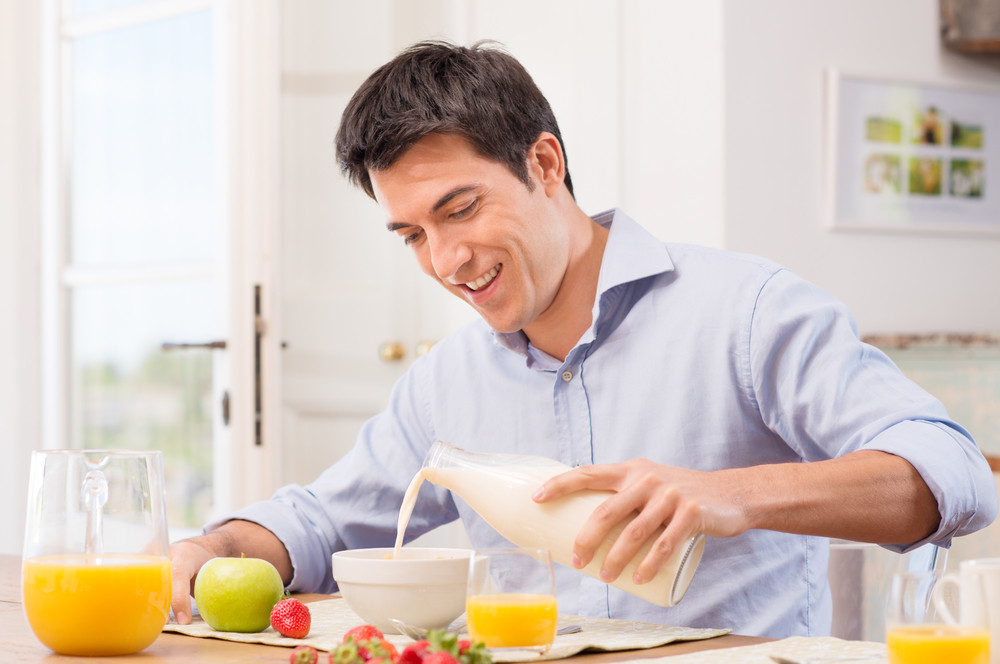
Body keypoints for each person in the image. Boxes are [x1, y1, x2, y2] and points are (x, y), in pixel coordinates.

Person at [170, 40, 997, 638]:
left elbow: (952, 471)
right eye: (412, 235)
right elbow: (318, 522)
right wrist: (211, 546)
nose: (446, 261)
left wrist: (736, 496)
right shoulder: (446, 381)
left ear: (545, 163)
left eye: (460, 210)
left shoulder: (745, 312)